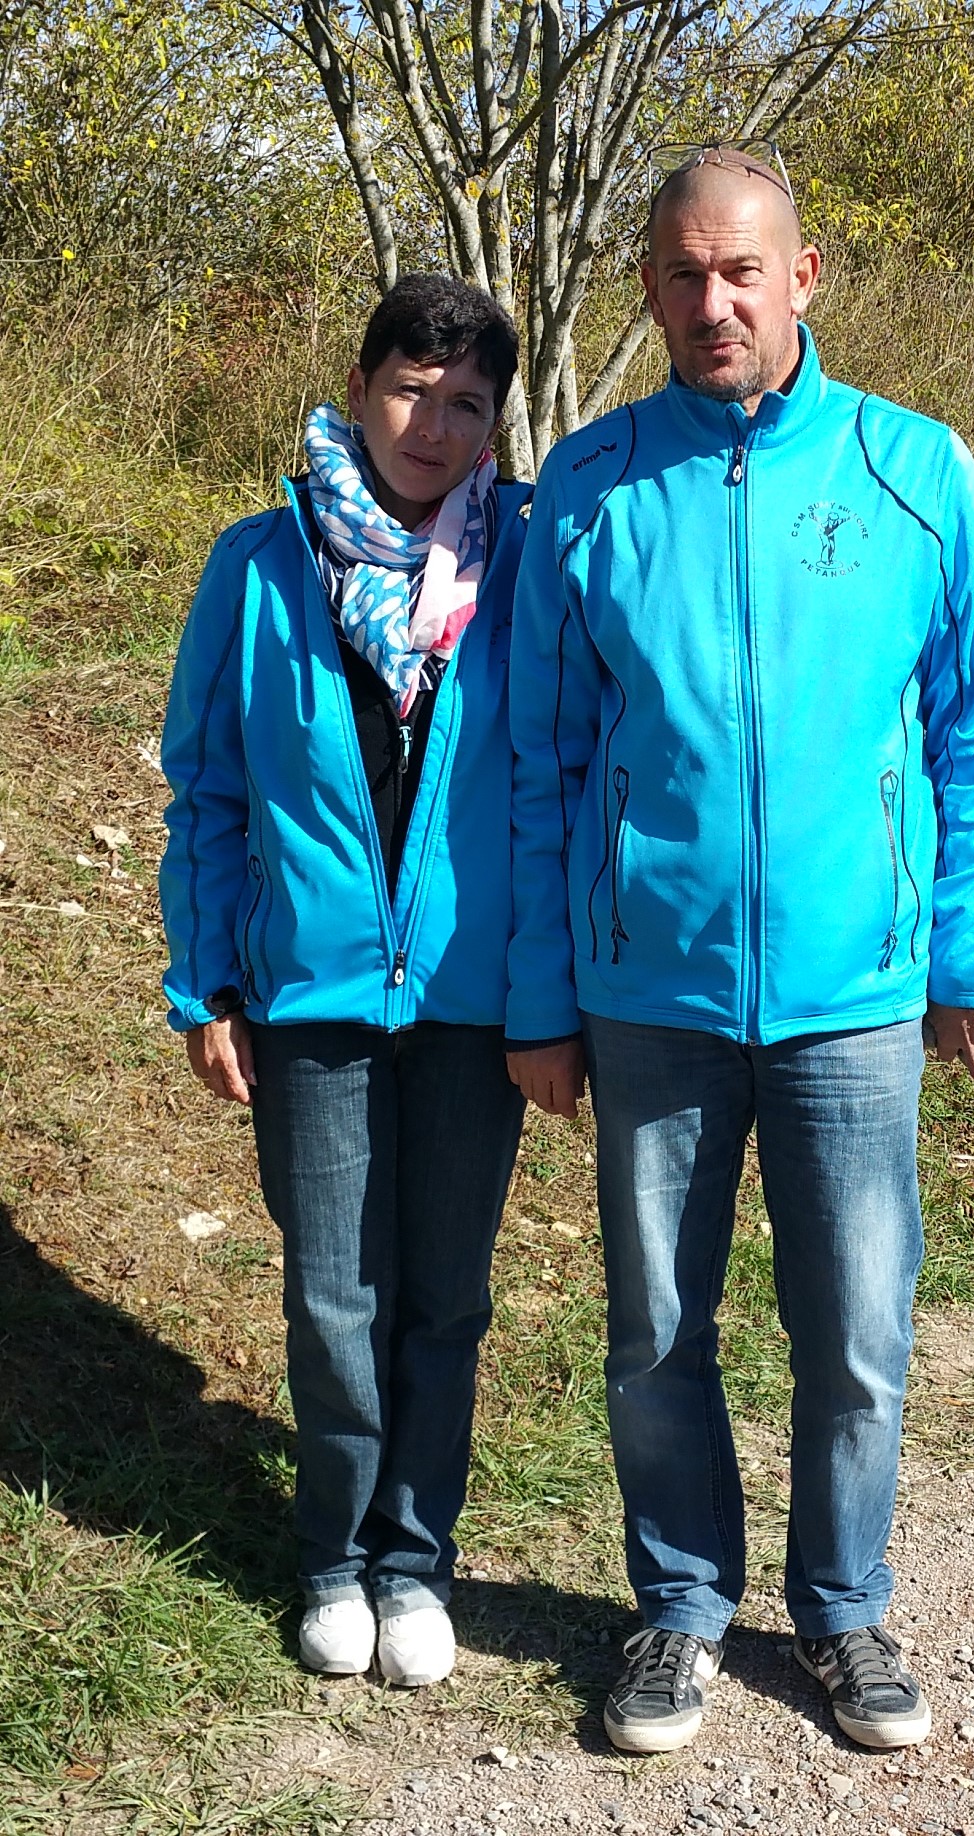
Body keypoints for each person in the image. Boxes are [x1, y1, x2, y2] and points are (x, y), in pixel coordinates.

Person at [505, 145, 974, 1755]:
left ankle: (844, 1608)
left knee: (858, 1325)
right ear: (649, 289)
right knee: (653, 1329)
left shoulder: (915, 472)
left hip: (850, 998)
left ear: (803, 275)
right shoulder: (588, 490)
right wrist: (541, 995)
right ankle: (675, 1608)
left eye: (741, 269)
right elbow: (535, 759)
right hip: (645, 990)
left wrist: (964, 955)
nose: (711, 301)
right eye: (680, 274)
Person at [159, 274, 529, 1685]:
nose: (430, 425)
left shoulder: (525, 569)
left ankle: (414, 1561)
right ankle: (332, 1558)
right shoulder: (255, 567)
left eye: (465, 403)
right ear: (359, 383)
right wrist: (205, 983)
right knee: (333, 1296)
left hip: (467, 995)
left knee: (444, 1296)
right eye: (408, 388)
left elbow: (552, 784)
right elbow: (205, 789)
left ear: (494, 423)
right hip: (306, 991)